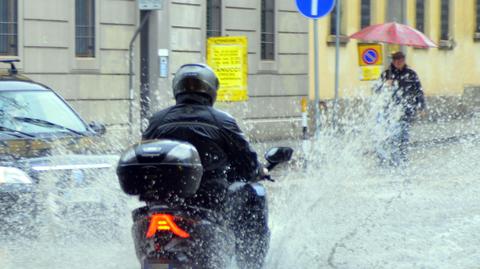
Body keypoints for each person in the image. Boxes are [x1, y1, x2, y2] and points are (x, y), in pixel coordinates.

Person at [142, 63, 269, 269]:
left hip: (162, 202)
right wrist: (259, 170)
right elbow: (247, 163)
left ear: (177, 89)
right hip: (209, 201)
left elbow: (145, 157)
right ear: (211, 90)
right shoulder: (222, 121)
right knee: (254, 195)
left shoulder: (157, 120)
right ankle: (250, 263)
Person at [375, 51, 426, 166]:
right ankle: (389, 159)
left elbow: (419, 91)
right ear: (393, 61)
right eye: (397, 61)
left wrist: (421, 107)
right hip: (389, 111)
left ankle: (402, 158)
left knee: (403, 136)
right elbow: (376, 91)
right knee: (391, 136)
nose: (399, 63)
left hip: (406, 111)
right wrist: (385, 85)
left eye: (401, 60)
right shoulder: (386, 74)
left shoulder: (411, 74)